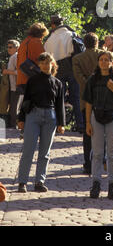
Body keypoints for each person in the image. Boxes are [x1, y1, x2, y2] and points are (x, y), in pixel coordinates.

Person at [17, 52, 65, 193]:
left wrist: (61, 123)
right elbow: (26, 100)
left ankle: (39, 181)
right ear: (39, 65)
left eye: (47, 62)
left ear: (52, 64)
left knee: (45, 152)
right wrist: (21, 118)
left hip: (50, 116)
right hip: (33, 114)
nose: (44, 65)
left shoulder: (58, 83)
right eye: (42, 63)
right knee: (28, 149)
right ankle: (22, 182)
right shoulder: (32, 80)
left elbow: (59, 104)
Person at [84, 51, 113, 200]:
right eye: (101, 60)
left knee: (112, 152)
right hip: (96, 116)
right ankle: (95, 183)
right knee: (96, 153)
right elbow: (88, 102)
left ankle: (112, 185)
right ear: (98, 62)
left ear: (112, 62)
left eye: (107, 60)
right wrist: (88, 122)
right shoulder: (93, 79)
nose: (103, 62)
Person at [44, 14, 84, 133]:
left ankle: (58, 124)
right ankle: (80, 124)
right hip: (71, 67)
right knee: (76, 97)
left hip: (56, 68)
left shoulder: (49, 39)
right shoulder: (71, 35)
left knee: (58, 98)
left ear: (52, 25)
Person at [72, 32, 102, 174]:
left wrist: (90, 85)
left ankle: (88, 164)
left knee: (88, 132)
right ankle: (103, 162)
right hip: (104, 98)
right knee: (105, 132)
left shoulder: (77, 58)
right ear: (97, 42)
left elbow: (79, 78)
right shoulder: (105, 55)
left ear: (84, 43)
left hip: (86, 99)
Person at [16, 22, 48, 124]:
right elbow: (44, 59)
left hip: (21, 78)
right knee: (34, 104)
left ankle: (22, 123)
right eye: (43, 36)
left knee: (26, 102)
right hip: (32, 78)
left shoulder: (24, 42)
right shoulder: (36, 42)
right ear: (40, 34)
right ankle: (31, 125)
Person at [2, 40, 20, 128]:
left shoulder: (15, 56)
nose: (8, 49)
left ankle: (13, 128)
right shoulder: (13, 56)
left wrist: (7, 71)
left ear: (17, 48)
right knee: (12, 107)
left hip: (16, 87)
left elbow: (19, 72)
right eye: (8, 47)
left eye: (10, 47)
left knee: (13, 108)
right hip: (13, 87)